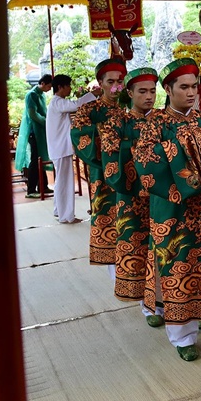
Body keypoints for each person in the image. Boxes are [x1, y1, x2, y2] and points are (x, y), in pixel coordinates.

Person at [133, 58, 201, 355]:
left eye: (194, 87)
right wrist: (187, 149)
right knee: (178, 269)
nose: (191, 93)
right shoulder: (154, 124)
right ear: (168, 88)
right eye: (184, 87)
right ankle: (183, 338)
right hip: (173, 211)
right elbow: (146, 164)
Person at [100, 67, 157, 302]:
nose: (149, 97)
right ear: (130, 93)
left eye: (153, 91)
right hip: (131, 195)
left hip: (162, 197)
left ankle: (167, 301)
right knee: (136, 246)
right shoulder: (117, 122)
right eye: (142, 91)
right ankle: (146, 304)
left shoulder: (163, 120)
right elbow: (109, 157)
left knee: (165, 249)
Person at [71, 58, 127, 269]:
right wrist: (108, 137)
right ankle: (113, 267)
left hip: (127, 174)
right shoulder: (89, 110)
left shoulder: (126, 110)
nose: (115, 86)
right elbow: (79, 137)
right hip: (102, 174)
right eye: (110, 81)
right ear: (100, 83)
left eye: (119, 81)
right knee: (107, 214)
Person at [46, 75, 93, 224]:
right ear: (60, 87)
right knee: (64, 182)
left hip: (58, 148)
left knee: (61, 180)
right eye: (68, 86)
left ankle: (58, 211)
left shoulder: (56, 103)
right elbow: (76, 105)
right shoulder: (58, 102)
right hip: (60, 148)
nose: (70, 89)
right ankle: (66, 216)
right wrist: (92, 95)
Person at [15, 74, 53, 198]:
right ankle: (31, 190)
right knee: (35, 160)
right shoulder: (32, 95)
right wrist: (46, 121)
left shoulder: (41, 94)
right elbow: (33, 114)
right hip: (34, 131)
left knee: (41, 157)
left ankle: (43, 186)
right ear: (43, 83)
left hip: (41, 130)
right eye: (49, 86)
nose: (49, 89)